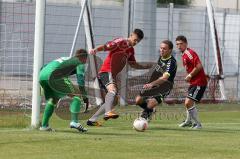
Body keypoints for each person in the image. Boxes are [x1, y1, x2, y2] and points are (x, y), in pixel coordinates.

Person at [87, 28, 151, 126]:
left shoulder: (130, 50)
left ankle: (92, 120)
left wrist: (145, 66)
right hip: (106, 71)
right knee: (112, 91)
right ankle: (107, 112)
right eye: (135, 40)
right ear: (131, 35)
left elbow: (133, 64)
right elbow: (107, 46)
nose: (136, 42)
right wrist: (96, 49)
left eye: (138, 41)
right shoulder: (121, 41)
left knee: (114, 102)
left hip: (112, 75)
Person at [39, 49, 88, 132]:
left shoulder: (66, 58)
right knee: (78, 95)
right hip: (56, 75)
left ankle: (44, 126)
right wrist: (85, 96)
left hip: (42, 76)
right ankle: (74, 122)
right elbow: (80, 80)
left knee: (53, 99)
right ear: (84, 58)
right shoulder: (79, 63)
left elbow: (44, 67)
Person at [135, 40, 177, 120]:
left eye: (164, 48)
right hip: (154, 83)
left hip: (164, 86)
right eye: (161, 48)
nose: (161, 50)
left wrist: (151, 84)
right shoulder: (161, 57)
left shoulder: (171, 62)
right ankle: (151, 110)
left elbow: (164, 78)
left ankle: (142, 120)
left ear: (170, 50)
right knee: (138, 100)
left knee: (151, 103)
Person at [175, 35, 208, 129]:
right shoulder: (184, 54)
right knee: (188, 103)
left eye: (181, 44)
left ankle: (198, 124)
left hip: (199, 82)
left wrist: (190, 75)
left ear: (186, 44)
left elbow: (199, 66)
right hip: (194, 82)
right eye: (177, 44)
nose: (179, 46)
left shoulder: (189, 53)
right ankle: (188, 121)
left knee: (188, 102)